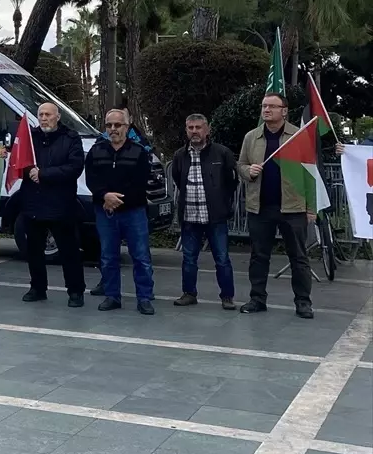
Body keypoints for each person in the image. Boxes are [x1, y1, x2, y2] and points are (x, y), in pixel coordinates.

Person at [237, 93, 312, 318]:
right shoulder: (252, 137)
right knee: (259, 256)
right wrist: (247, 171)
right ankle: (257, 299)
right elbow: (240, 163)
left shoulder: (298, 136)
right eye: (264, 106)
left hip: (293, 207)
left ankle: (303, 302)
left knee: (298, 257)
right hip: (260, 207)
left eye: (272, 106)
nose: (266, 110)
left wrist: (312, 208)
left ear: (284, 111)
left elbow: (311, 173)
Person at [86, 109, 156, 315]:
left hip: (133, 212)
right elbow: (91, 179)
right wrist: (104, 196)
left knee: (141, 257)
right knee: (108, 257)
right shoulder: (96, 150)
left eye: (118, 125)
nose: (113, 129)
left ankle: (144, 298)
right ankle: (112, 296)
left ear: (127, 127)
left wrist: (116, 199)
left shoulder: (139, 151)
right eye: (109, 125)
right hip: (105, 212)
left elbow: (141, 182)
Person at [18, 102, 87, 306]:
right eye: (40, 114)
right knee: (34, 251)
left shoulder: (71, 138)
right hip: (33, 203)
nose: (44, 118)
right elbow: (20, 162)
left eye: (48, 114)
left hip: (61, 205)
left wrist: (44, 174)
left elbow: (74, 167)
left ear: (58, 117)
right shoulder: (30, 137)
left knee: (69, 251)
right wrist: (28, 170)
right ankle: (37, 288)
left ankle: (75, 291)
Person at [169, 114, 237, 310]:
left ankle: (227, 296)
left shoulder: (222, 153)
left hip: (215, 216)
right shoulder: (179, 155)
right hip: (190, 215)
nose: (194, 131)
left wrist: (222, 203)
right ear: (186, 130)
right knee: (189, 258)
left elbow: (231, 182)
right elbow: (177, 178)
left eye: (198, 127)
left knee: (222, 258)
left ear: (207, 130)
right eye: (190, 128)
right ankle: (189, 293)